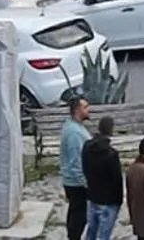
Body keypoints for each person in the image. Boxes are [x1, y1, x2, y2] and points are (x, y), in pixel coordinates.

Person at [81, 116, 124, 240]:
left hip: (93, 195)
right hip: (109, 200)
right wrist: (119, 200)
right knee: (104, 235)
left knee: (91, 232)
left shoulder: (87, 147)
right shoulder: (111, 154)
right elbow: (117, 180)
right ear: (111, 130)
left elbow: (84, 167)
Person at [58, 96, 90, 240]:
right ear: (77, 110)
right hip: (76, 183)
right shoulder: (74, 133)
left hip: (74, 181)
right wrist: (85, 183)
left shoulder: (74, 127)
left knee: (76, 213)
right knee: (78, 217)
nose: (88, 110)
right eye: (85, 107)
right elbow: (76, 161)